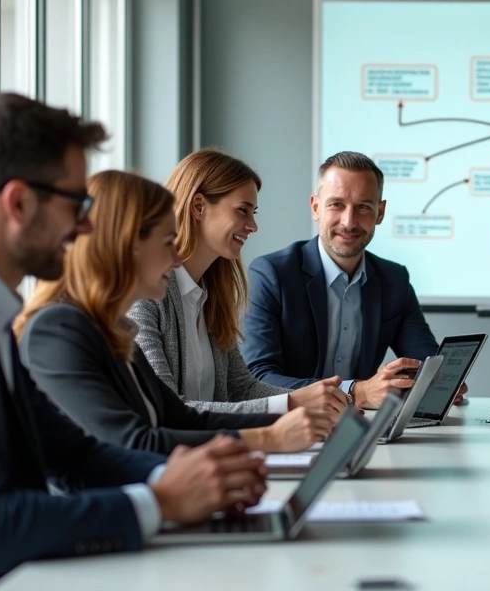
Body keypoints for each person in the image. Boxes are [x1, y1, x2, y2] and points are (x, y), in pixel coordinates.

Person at [0, 93, 265, 590]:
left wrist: (200, 476)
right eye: (77, 204)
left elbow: (75, 455)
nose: (87, 225)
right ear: (18, 202)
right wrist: (161, 501)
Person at [18, 170, 332, 455]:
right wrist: (270, 437)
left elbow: (183, 419)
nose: (177, 259)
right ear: (127, 245)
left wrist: (300, 420)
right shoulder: (58, 330)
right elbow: (135, 442)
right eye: (168, 242)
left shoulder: (115, 330)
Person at [128, 148, 347, 418]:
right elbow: (167, 409)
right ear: (198, 207)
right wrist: (292, 404)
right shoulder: (145, 295)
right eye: (243, 211)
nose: (253, 226)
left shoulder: (211, 296)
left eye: (253, 213)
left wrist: (311, 400)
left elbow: (240, 389)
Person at [241, 151, 457, 410]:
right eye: (336, 204)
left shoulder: (394, 279)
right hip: (291, 426)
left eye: (364, 207)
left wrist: (439, 383)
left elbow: (424, 360)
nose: (349, 221)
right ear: (316, 207)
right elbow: (258, 378)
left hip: (357, 428)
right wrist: (356, 392)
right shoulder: (271, 274)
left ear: (380, 212)